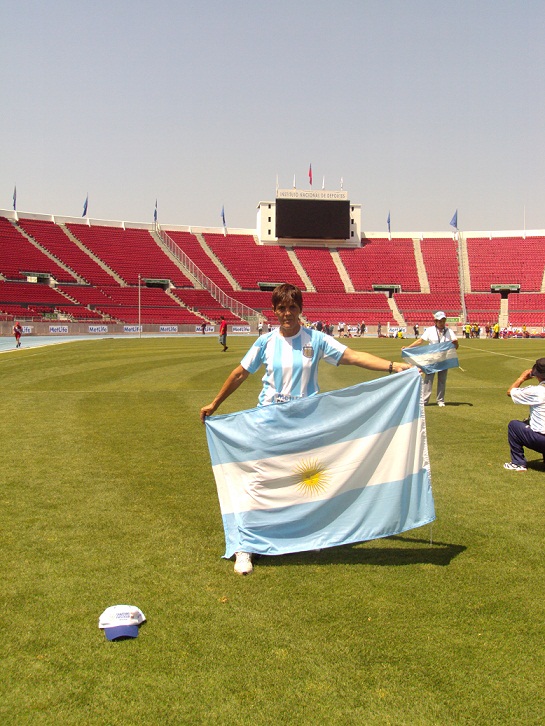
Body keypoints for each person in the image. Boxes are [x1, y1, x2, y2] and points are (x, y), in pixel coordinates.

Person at [200, 283, 411, 575]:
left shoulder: (316, 339)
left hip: (306, 426)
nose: (287, 313)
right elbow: (240, 373)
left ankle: (306, 535)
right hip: (269, 424)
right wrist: (215, 403)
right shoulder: (265, 342)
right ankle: (245, 546)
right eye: (282, 308)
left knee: (305, 481)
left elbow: (352, 356)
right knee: (258, 481)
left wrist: (392, 366)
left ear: (300, 309)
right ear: (274, 311)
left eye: (292, 307)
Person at [402, 311, 458, 407]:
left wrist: (455, 344)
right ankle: (424, 400)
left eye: (443, 321)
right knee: (428, 380)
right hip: (431, 359)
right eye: (440, 321)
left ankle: (440, 400)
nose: (442, 323)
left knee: (442, 380)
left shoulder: (449, 331)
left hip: (444, 359)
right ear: (435, 321)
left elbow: (455, 345)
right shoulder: (430, 330)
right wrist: (408, 347)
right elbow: (420, 341)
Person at [504, 358, 545, 471]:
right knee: (530, 422)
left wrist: (521, 378)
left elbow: (510, 392)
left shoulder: (537, 391)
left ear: (537, 375)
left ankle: (518, 463)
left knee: (514, 425)